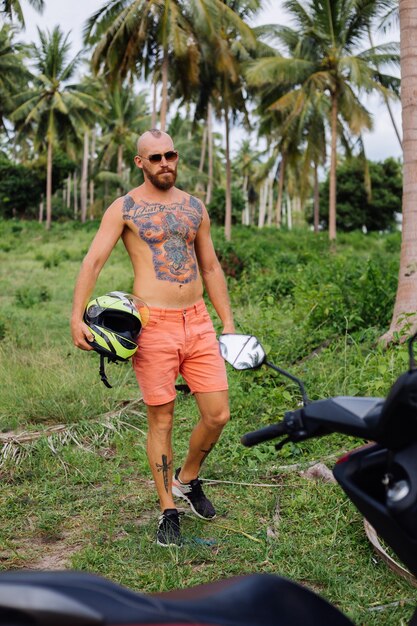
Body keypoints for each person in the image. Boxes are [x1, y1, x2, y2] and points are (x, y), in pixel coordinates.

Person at [71, 129, 235, 547]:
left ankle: (187, 479)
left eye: (171, 155)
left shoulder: (194, 207)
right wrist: (77, 318)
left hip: (197, 321)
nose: (166, 163)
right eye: (156, 157)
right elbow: (94, 261)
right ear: (140, 162)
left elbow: (212, 267)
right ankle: (167, 510)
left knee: (217, 415)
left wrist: (228, 324)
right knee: (161, 419)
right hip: (154, 324)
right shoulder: (124, 207)